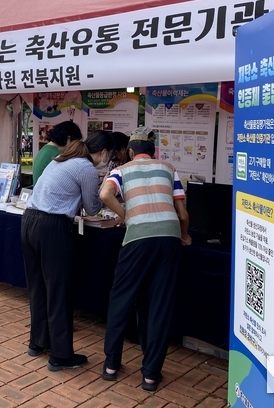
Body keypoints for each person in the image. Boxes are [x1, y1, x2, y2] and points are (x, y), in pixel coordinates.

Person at [99, 127, 191, 391]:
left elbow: (105, 194)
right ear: (153, 151)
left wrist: (126, 215)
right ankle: (151, 375)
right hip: (169, 238)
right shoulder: (169, 168)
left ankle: (111, 365)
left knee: (121, 298)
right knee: (160, 305)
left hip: (138, 239)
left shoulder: (122, 170)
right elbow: (183, 215)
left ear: (130, 152)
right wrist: (184, 235)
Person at [21, 131, 115, 372]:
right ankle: (61, 355)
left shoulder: (63, 158)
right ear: (104, 153)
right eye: (110, 156)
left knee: (38, 286)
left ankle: (38, 342)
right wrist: (106, 189)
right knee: (58, 289)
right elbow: (92, 208)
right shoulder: (86, 167)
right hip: (52, 226)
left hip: (29, 220)